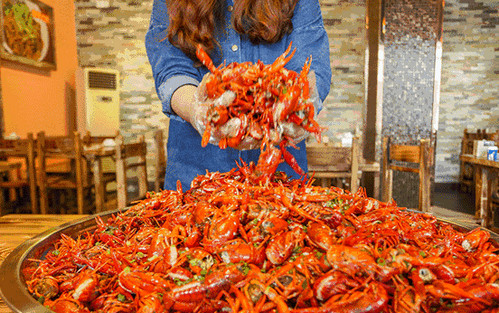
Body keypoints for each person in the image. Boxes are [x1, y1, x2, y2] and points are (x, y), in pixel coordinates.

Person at [146, 0, 332, 190]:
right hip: (194, 176)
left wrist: (302, 108)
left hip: (280, 181)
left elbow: (311, 65)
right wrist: (196, 110)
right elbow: (171, 68)